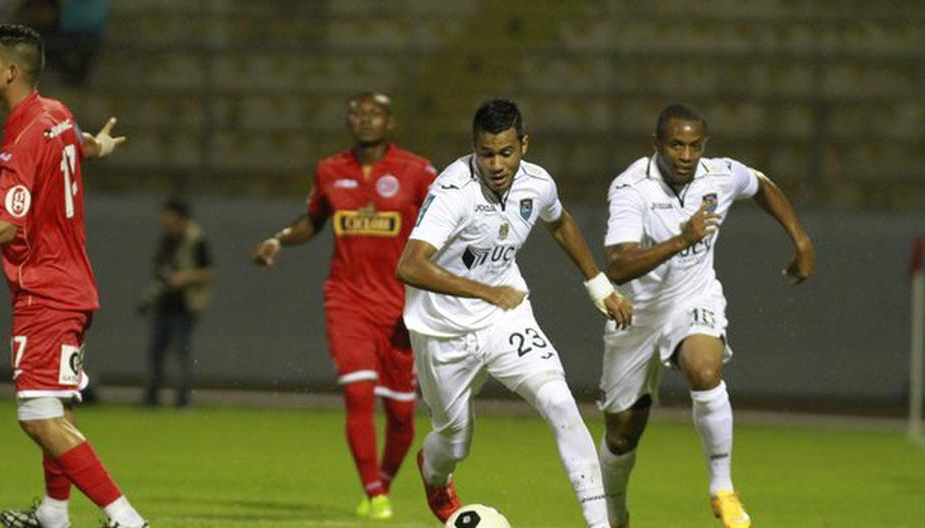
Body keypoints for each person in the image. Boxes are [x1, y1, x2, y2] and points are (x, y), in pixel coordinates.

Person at [0, 24, 148, 528]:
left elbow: (8, 225)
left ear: (10, 70)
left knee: (36, 414)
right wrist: (98, 147)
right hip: (71, 284)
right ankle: (55, 514)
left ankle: (126, 520)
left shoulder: (21, 135)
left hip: (45, 291)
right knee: (54, 406)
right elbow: (74, 141)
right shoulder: (53, 113)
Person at [396, 98, 633, 527]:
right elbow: (409, 265)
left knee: (560, 403)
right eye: (486, 153)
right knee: (453, 439)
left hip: (506, 319)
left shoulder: (537, 184)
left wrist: (598, 284)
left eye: (506, 152)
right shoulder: (453, 193)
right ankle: (435, 474)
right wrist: (483, 290)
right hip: (442, 331)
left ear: (524, 144)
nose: (496, 164)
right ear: (474, 149)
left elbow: (558, 222)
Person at [597, 103, 816, 528]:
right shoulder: (631, 189)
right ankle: (614, 514)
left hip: (692, 300)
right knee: (622, 436)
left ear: (704, 146)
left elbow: (762, 185)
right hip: (635, 315)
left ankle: (722, 488)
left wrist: (801, 239)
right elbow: (618, 265)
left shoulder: (720, 174)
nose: (685, 155)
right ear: (656, 144)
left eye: (694, 146)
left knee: (704, 367)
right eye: (676, 145)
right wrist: (681, 240)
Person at [252, 92, 437, 520]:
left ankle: (384, 483)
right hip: (347, 299)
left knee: (401, 415)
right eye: (358, 113)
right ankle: (373, 493)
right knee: (357, 393)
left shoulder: (418, 171)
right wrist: (278, 238)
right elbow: (313, 220)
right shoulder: (330, 170)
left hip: (401, 308)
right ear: (349, 122)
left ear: (390, 123)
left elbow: (447, 220)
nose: (365, 119)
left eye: (375, 113)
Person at [141, 197, 214, 408]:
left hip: (185, 305)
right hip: (165, 303)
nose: (164, 218)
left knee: (182, 353)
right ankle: (151, 398)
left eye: (169, 214)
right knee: (156, 351)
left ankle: (183, 400)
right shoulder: (167, 238)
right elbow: (157, 265)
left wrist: (183, 278)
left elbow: (209, 273)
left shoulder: (196, 239)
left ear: (180, 217)